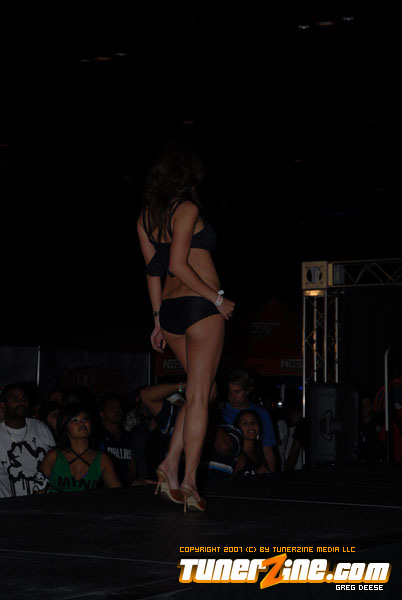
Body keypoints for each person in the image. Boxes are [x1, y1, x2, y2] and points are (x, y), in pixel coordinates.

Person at [137, 139, 235, 511]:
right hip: (200, 307)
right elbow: (177, 264)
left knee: (204, 392)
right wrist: (217, 299)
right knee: (198, 395)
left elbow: (154, 270)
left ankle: (168, 464)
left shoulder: (146, 217)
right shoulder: (189, 207)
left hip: (172, 312)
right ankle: (191, 481)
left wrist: (157, 319)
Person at [40, 403, 122, 493]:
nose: (82, 423)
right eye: (74, 420)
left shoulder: (103, 459)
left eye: (85, 419)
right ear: (65, 427)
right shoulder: (53, 456)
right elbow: (39, 491)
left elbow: (118, 493)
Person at [0, 382, 55, 498]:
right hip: (8, 507)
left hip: (43, 504)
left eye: (24, 398)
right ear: (3, 405)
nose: (21, 402)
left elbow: (55, 464)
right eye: (14, 399)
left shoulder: (41, 427)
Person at [221, 370, 277, 473]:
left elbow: (268, 449)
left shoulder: (262, 414)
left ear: (247, 391)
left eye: (237, 392)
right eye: (230, 392)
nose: (233, 396)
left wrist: (272, 476)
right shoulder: (221, 413)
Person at [97, 396, 136, 486]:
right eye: (112, 407)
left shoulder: (128, 437)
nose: (117, 410)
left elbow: (133, 466)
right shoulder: (97, 437)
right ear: (102, 414)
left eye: (119, 407)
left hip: (127, 488)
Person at [232, 410, 269, 476]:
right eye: (245, 423)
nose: (251, 426)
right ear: (237, 428)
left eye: (254, 422)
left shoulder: (259, 452)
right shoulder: (238, 456)